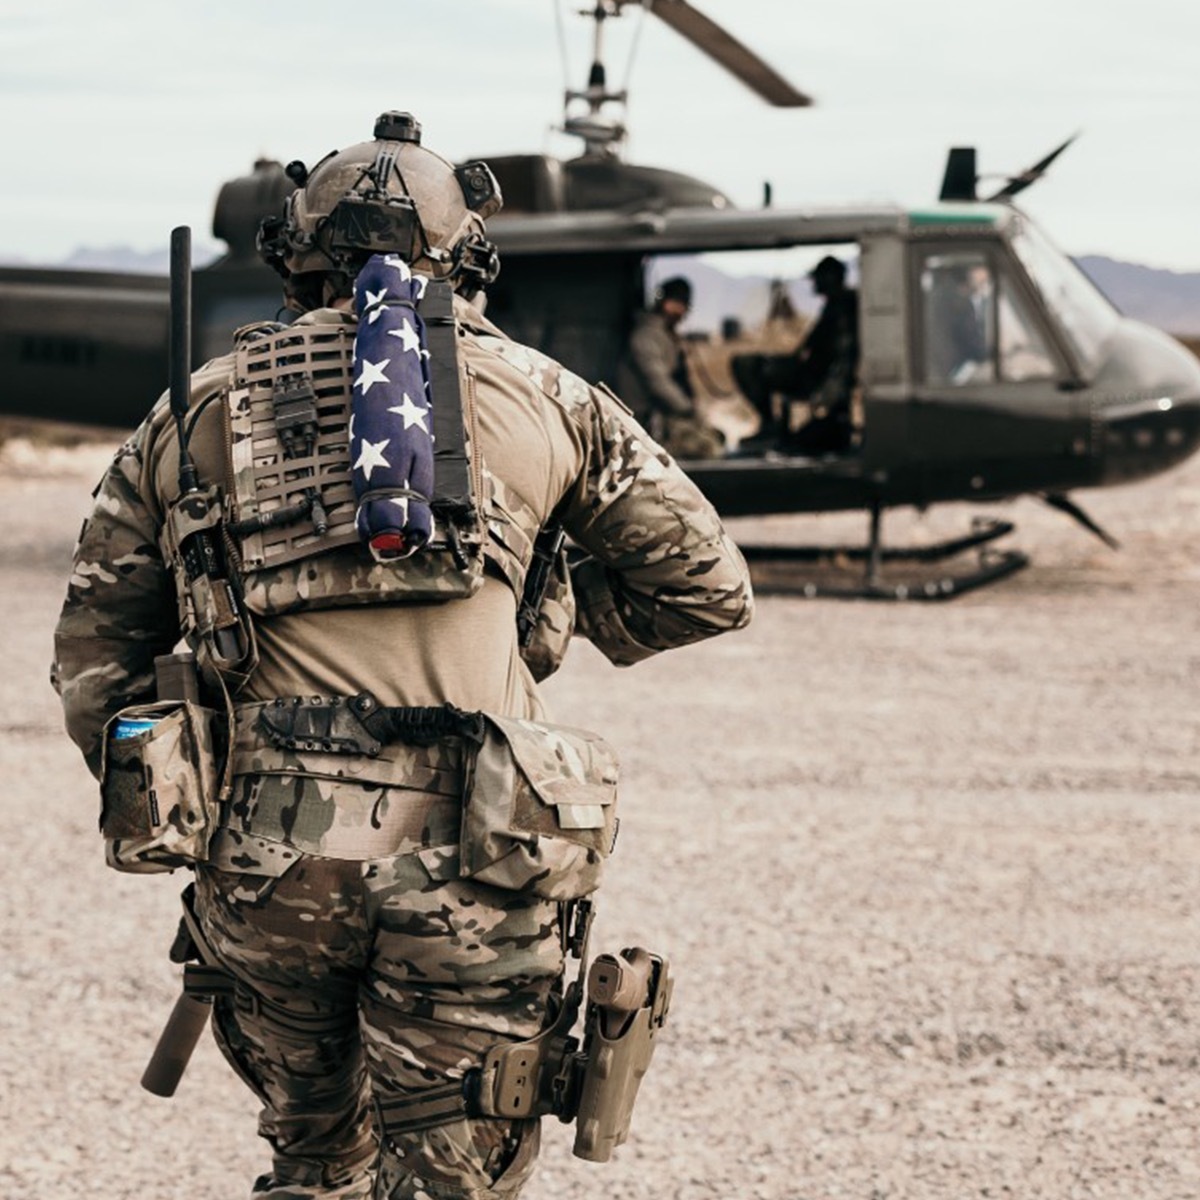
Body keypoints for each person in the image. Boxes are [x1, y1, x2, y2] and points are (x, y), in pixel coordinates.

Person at [51, 112, 753, 1200]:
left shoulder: (194, 410)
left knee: (312, 1161)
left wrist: (184, 776)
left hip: (267, 862)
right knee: (452, 1181)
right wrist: (545, 615)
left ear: (296, 258)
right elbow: (708, 587)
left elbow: (97, 658)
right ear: (470, 258)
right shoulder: (553, 397)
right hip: (484, 859)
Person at [732, 254, 859, 454]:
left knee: (746, 365)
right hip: (810, 371)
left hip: (816, 378)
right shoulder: (835, 305)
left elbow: (842, 359)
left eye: (818, 278)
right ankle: (770, 426)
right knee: (747, 363)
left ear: (829, 278)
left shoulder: (844, 306)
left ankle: (771, 427)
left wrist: (827, 393)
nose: (814, 283)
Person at [616, 276, 726, 459]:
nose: (683, 313)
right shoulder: (646, 337)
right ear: (668, 304)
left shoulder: (664, 335)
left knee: (717, 437)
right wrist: (687, 409)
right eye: (681, 305)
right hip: (649, 423)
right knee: (709, 448)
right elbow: (658, 382)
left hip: (664, 419)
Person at [926, 261, 991, 383]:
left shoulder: (929, 297)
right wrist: (993, 353)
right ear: (967, 275)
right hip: (948, 374)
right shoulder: (959, 302)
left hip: (933, 374)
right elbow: (973, 346)